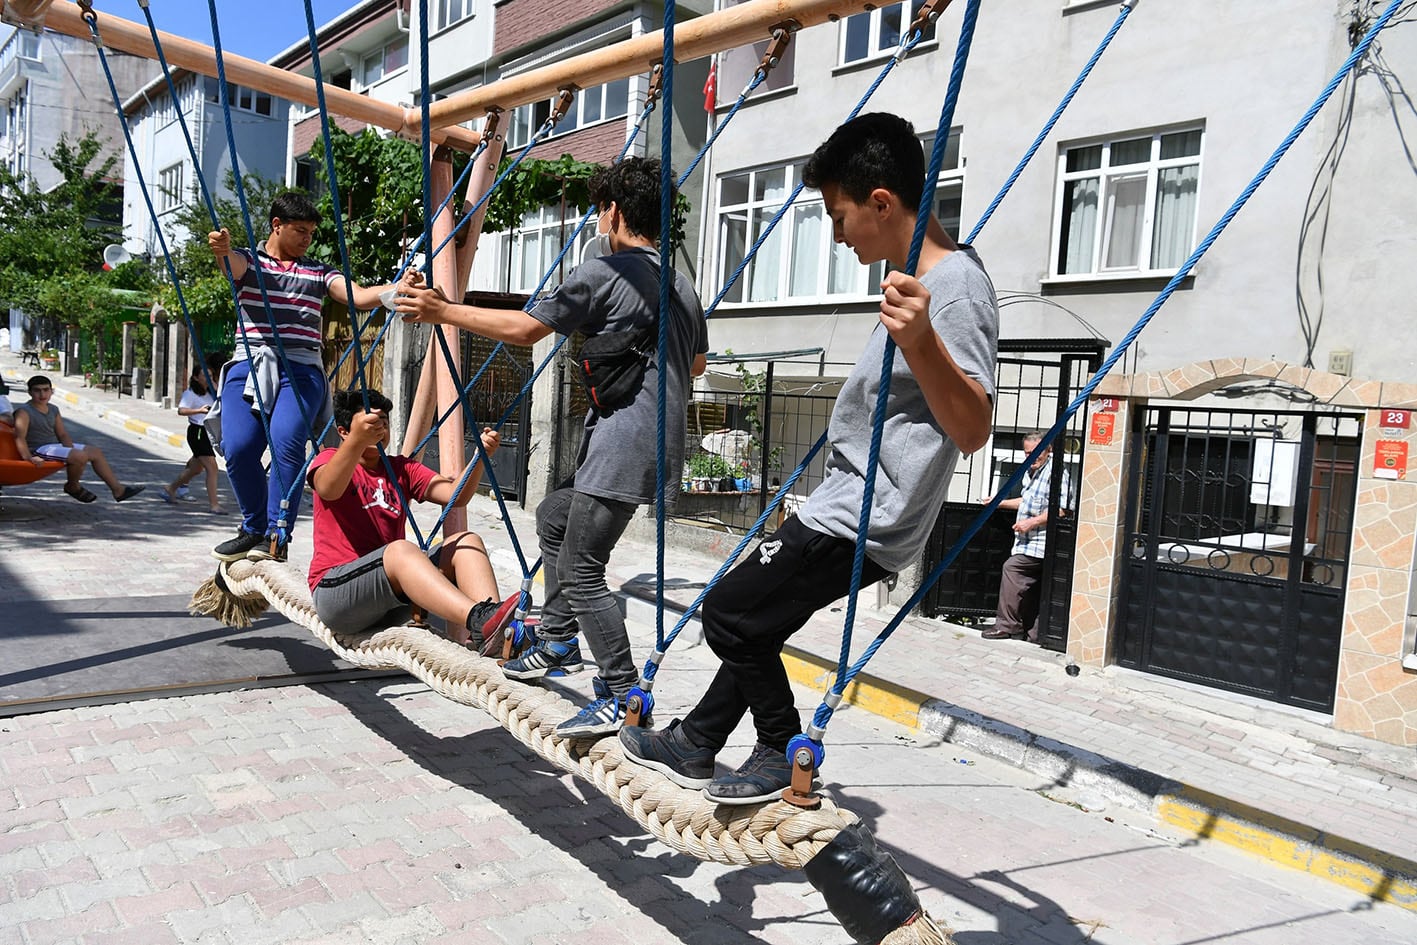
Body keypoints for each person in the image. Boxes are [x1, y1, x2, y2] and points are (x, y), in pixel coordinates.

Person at [618, 113, 998, 804]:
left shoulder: (956, 289)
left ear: (880, 202)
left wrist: (921, 344)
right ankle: (698, 738)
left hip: (865, 517)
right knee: (760, 620)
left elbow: (972, 427)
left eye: (838, 214)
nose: (836, 233)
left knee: (730, 613)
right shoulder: (923, 281)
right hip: (846, 503)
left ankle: (773, 749)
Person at [396, 156, 709, 737]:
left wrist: (442, 310)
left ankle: (621, 693)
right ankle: (560, 638)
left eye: (600, 209)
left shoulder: (605, 271)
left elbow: (525, 330)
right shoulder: (681, 283)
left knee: (584, 568)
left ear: (613, 212)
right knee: (555, 515)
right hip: (660, 444)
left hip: (620, 444)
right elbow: (694, 363)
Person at [207, 190, 414, 562]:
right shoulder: (252, 263)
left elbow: (359, 296)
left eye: (311, 233)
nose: (306, 239)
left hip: (301, 370)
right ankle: (253, 526)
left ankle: (276, 531)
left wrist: (395, 290)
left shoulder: (319, 272)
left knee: (287, 441)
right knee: (238, 448)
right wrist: (222, 249)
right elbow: (231, 265)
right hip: (251, 365)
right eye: (300, 230)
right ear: (277, 225)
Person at [309, 388, 507, 648]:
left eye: (384, 423)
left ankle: (494, 631)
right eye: (370, 423)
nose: (379, 429)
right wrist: (357, 441)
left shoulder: (402, 468)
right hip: (338, 595)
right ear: (345, 430)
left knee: (467, 542)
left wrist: (480, 457)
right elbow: (328, 489)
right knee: (401, 550)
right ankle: (477, 617)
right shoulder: (329, 459)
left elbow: (454, 495)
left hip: (392, 600)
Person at [983, 432, 1072, 642]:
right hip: (1026, 542)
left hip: (1042, 543)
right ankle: (1032, 633)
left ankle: (1007, 626)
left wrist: (1030, 523)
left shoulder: (1057, 472)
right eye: (1027, 452)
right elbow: (1026, 500)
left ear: (1048, 451)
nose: (1031, 457)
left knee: (1012, 568)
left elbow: (1062, 509)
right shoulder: (1031, 471)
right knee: (1031, 588)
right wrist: (999, 502)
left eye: (1036, 453)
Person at [12, 374, 145, 503]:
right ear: (29, 392)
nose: (42, 395)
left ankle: (118, 490)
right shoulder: (24, 411)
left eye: (46, 390)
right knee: (79, 456)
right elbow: (20, 437)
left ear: (51, 391)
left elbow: (62, 434)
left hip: (54, 446)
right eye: (37, 391)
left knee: (95, 452)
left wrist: (69, 451)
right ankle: (72, 486)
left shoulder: (53, 409)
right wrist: (29, 458)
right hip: (39, 449)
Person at [161, 367, 224, 513]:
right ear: (196, 377)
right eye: (204, 375)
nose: (207, 378)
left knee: (196, 468)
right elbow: (181, 410)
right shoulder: (190, 394)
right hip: (198, 432)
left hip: (209, 432)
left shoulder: (211, 391)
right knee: (212, 467)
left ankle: (170, 488)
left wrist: (213, 383)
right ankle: (214, 504)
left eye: (210, 375)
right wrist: (199, 411)